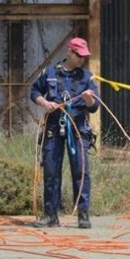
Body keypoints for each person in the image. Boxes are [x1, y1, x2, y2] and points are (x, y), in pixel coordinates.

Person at [30, 37, 99, 229]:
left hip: (78, 129)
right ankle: (51, 215)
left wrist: (87, 100)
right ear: (69, 52)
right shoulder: (50, 73)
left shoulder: (87, 78)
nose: (82, 60)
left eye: (84, 56)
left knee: (81, 171)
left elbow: (95, 107)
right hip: (53, 128)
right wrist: (45, 103)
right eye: (78, 55)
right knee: (51, 171)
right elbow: (34, 92)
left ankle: (83, 214)